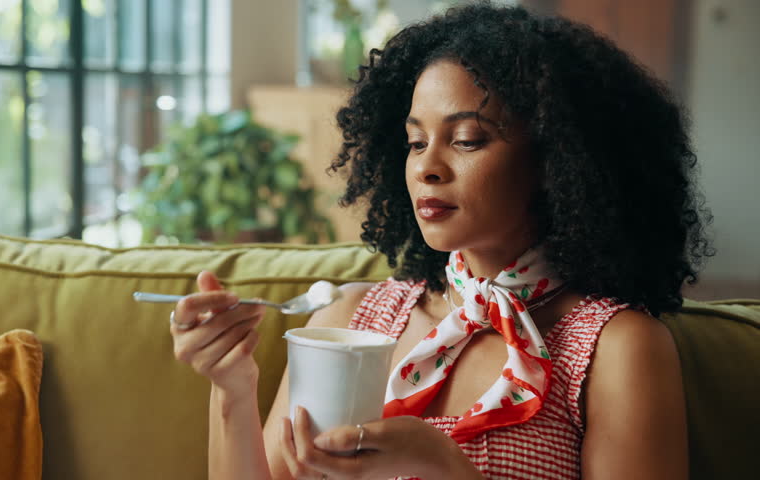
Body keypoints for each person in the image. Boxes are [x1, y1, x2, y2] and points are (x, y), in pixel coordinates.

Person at [169, 2, 712, 479]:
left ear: (556, 160)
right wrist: (232, 388)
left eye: (467, 139)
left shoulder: (613, 348)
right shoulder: (349, 320)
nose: (427, 167)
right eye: (415, 141)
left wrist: (441, 464)